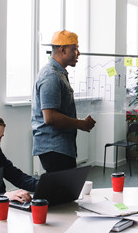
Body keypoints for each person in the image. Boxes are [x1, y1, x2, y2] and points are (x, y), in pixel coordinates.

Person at [32, 30, 96, 173]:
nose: (78, 53)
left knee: (64, 191)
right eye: (74, 49)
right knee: (63, 192)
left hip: (60, 147)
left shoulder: (59, 73)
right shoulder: (51, 76)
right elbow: (50, 117)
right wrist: (81, 124)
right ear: (62, 49)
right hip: (54, 147)